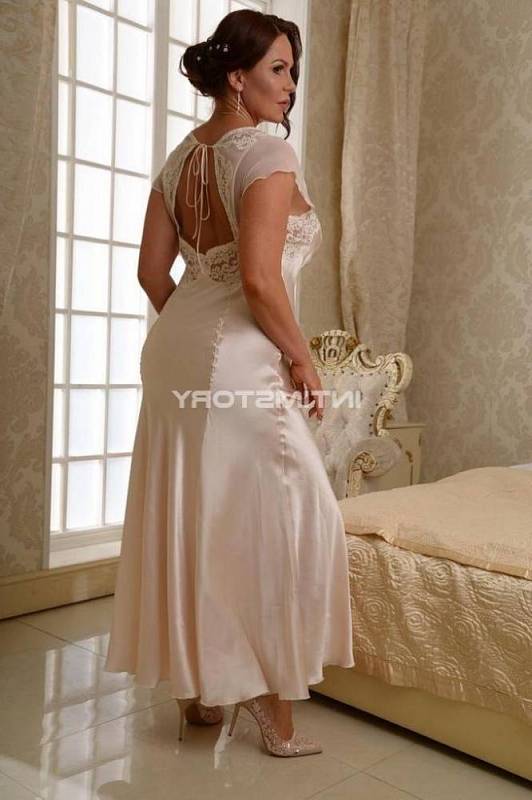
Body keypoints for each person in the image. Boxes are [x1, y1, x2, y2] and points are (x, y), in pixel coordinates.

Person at [103, 8, 355, 758]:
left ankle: (201, 692)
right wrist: (303, 361)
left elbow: (152, 273)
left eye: (293, 70)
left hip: (175, 346)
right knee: (283, 516)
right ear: (237, 78)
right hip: (240, 356)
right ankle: (270, 710)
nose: (291, 84)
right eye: (277, 69)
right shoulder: (268, 153)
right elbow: (259, 281)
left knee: (195, 509)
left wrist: (191, 328)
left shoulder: (179, 159)